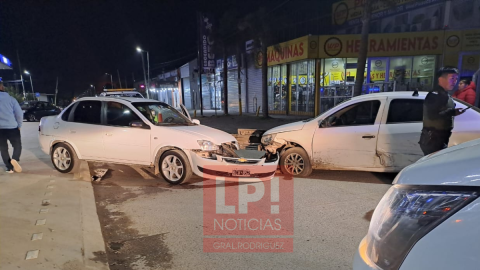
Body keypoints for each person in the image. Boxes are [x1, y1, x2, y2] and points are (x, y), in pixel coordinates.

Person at [419, 67, 467, 155]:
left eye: (456, 79)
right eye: (452, 78)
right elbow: (432, 116)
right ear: (441, 79)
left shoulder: (446, 95)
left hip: (440, 138)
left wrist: (454, 112)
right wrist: (452, 112)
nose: (455, 81)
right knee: (435, 166)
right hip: (433, 139)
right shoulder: (435, 95)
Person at [0, 81, 23, 173]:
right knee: (17, 146)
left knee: (3, 148)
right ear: (2, 87)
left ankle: (9, 168)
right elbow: (19, 113)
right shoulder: (11, 99)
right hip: (12, 127)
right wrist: (19, 125)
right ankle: (15, 159)